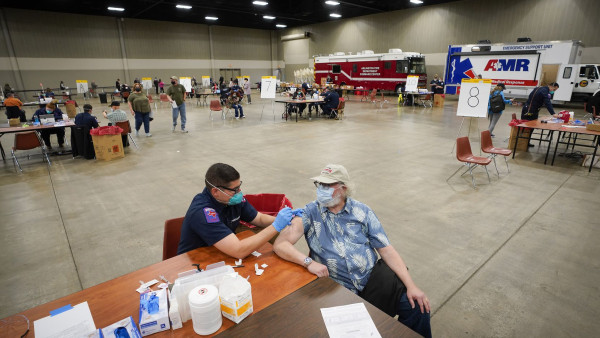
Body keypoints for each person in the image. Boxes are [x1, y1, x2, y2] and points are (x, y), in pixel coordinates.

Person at [273, 164, 431, 338]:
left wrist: (411, 286)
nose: (321, 190)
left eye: (327, 186)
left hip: (372, 279)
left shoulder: (362, 212)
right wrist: (308, 262)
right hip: (337, 288)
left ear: (343, 189)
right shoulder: (310, 212)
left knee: (418, 308)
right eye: (319, 185)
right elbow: (280, 244)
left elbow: (386, 250)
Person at [177, 163, 298, 258]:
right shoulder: (204, 212)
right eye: (234, 190)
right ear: (215, 191)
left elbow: (259, 219)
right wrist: (276, 226)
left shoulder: (230, 199)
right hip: (197, 261)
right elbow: (238, 250)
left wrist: (286, 219)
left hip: (222, 252)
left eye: (239, 187)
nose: (239, 193)